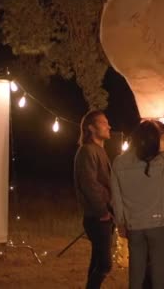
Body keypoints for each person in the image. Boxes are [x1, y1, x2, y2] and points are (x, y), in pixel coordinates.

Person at [111, 118, 164, 289]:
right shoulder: (163, 161)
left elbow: (116, 196)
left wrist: (120, 222)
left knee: (136, 273)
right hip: (160, 224)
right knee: (159, 275)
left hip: (134, 225)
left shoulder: (119, 162)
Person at [73, 110, 114, 289]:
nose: (108, 126)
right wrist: (103, 212)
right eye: (104, 123)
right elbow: (89, 184)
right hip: (97, 217)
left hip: (103, 215)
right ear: (91, 127)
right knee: (105, 264)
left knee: (97, 260)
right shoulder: (87, 151)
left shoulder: (99, 151)